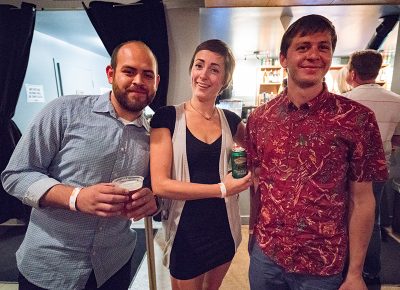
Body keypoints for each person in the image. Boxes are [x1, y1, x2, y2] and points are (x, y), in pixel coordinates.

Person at [1, 41, 159, 290]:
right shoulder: (63, 111)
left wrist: (152, 199)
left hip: (113, 265)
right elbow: (15, 174)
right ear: (111, 74)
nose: (139, 80)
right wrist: (75, 197)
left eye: (147, 74)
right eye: (129, 71)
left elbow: (153, 188)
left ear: (157, 82)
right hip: (50, 265)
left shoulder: (154, 136)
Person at [246, 14, 388, 290]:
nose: (313, 54)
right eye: (303, 46)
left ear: (332, 56)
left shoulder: (357, 119)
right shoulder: (260, 119)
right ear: (283, 59)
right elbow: (258, 182)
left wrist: (356, 273)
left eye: (323, 47)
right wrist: (253, 232)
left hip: (323, 265)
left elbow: (363, 201)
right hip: (267, 257)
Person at [150, 39, 251, 290]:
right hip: (185, 233)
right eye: (199, 65)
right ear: (191, 70)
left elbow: (260, 152)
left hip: (225, 229)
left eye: (214, 69)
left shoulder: (231, 120)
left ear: (225, 80)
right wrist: (222, 188)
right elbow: (160, 185)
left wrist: (244, 172)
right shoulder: (167, 117)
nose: (203, 75)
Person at [344, 49, 400, 284]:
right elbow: (397, 140)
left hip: (346, 169)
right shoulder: (396, 101)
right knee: (372, 219)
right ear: (377, 71)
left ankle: (346, 269)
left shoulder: (345, 101)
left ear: (352, 72)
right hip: (380, 168)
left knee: (344, 217)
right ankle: (371, 272)